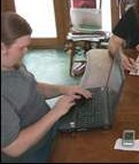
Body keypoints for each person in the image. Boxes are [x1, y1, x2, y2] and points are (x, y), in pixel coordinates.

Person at [1, 11, 92, 162]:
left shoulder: (12, 64)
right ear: (2, 48)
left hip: (50, 131)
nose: (26, 51)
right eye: (21, 47)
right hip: (33, 154)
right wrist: (55, 112)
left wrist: (64, 89)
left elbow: (33, 88)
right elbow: (13, 148)